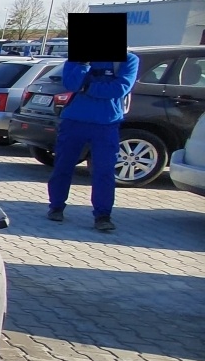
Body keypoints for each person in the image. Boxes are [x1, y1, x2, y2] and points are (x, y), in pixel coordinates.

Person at [47, 51, 140, 233]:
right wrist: (84, 65)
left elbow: (120, 88)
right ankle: (56, 207)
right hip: (74, 121)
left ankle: (103, 216)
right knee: (62, 166)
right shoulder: (77, 58)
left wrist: (87, 88)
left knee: (104, 171)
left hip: (107, 124)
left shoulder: (128, 59)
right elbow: (71, 84)